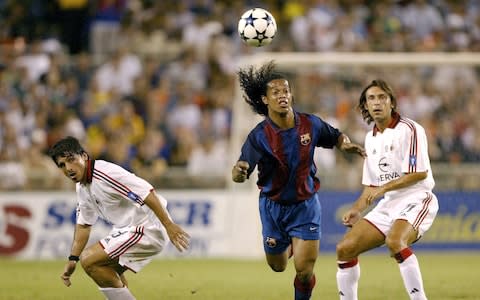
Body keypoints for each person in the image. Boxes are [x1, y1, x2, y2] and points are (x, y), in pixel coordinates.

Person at [231, 61, 366, 300]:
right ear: (265, 100)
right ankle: (290, 243)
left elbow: (335, 136)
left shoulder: (310, 124)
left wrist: (345, 144)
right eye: (276, 92)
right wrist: (239, 172)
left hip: (306, 205)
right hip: (273, 206)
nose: (282, 95)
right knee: (278, 266)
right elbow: (241, 168)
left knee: (304, 271)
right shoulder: (259, 136)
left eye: (285, 91)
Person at [48, 136, 190, 300]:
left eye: (71, 160)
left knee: (89, 260)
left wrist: (168, 225)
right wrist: (72, 259)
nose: (68, 168)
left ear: (84, 156)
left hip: (147, 228)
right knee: (106, 271)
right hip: (129, 229)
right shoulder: (81, 187)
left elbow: (146, 192)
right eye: (62, 165)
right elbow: (84, 225)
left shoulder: (105, 173)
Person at [335, 79, 439, 300]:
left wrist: (382, 189)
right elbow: (370, 187)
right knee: (345, 249)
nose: (377, 102)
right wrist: (357, 209)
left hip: (417, 197)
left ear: (392, 102)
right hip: (388, 203)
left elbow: (418, 173)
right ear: (365, 105)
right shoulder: (370, 138)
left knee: (395, 241)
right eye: (371, 98)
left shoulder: (410, 129)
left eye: (382, 97)